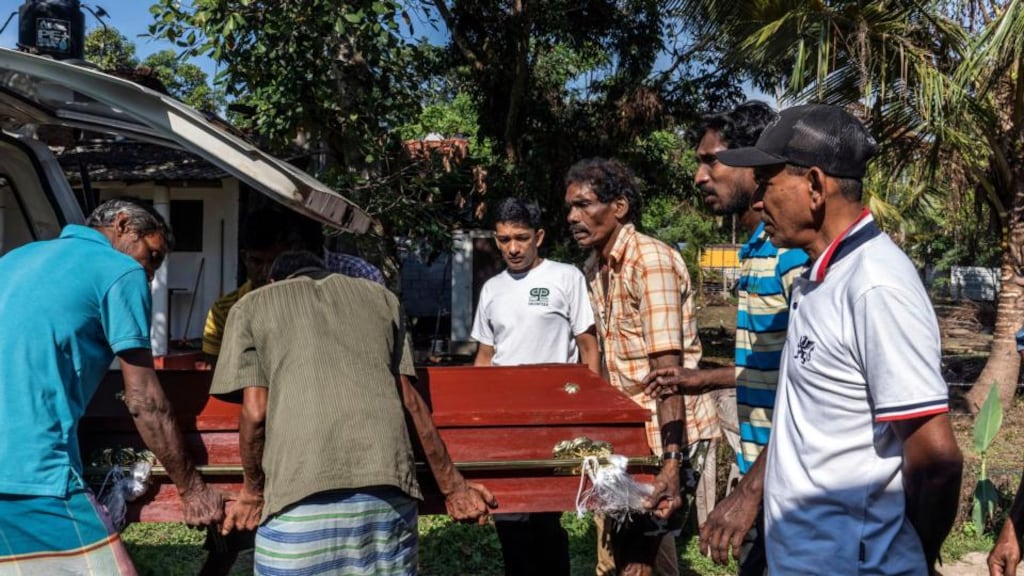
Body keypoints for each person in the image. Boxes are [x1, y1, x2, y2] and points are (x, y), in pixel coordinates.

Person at [715, 104, 963, 574]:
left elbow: (936, 461)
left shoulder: (874, 286)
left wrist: (911, 558)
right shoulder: (820, 275)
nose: (758, 201)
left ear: (813, 185)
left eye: (767, 183)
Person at [211, 250, 497, 575]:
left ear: (274, 282)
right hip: (387, 498)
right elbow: (410, 402)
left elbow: (255, 412)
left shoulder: (252, 306)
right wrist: (454, 489)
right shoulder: (382, 299)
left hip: (298, 502)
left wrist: (252, 493)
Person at [0, 198, 224, 574]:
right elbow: (143, 399)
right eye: (152, 257)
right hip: (33, 468)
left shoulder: (15, 258)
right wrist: (192, 488)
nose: (150, 277)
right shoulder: (119, 270)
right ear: (122, 225)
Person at [643, 101, 809, 574]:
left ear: (753, 162)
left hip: (791, 482)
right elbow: (780, 361)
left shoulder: (791, 256)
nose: (700, 176)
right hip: (766, 469)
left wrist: (751, 491)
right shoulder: (757, 248)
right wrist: (706, 378)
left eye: (710, 160)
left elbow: (817, 383)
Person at [565, 158, 720, 576]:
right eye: (570, 208)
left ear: (619, 207)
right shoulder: (595, 267)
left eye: (583, 205)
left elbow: (668, 372)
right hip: (629, 432)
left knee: (648, 558)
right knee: (631, 552)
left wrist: (671, 460)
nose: (572, 217)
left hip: (668, 433)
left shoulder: (649, 261)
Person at [471, 197, 599, 575]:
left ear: (539, 237)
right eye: (504, 239)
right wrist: (476, 419)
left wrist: (590, 412)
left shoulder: (566, 277)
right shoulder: (492, 289)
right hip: (504, 420)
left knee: (545, 517)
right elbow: (484, 357)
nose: (512, 248)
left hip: (554, 418)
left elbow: (589, 349)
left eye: (521, 238)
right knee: (508, 518)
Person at [202, 208, 298, 365]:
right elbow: (215, 374)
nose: (267, 272)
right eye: (257, 262)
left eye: (275, 262)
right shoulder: (223, 311)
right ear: (244, 258)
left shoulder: (307, 304)